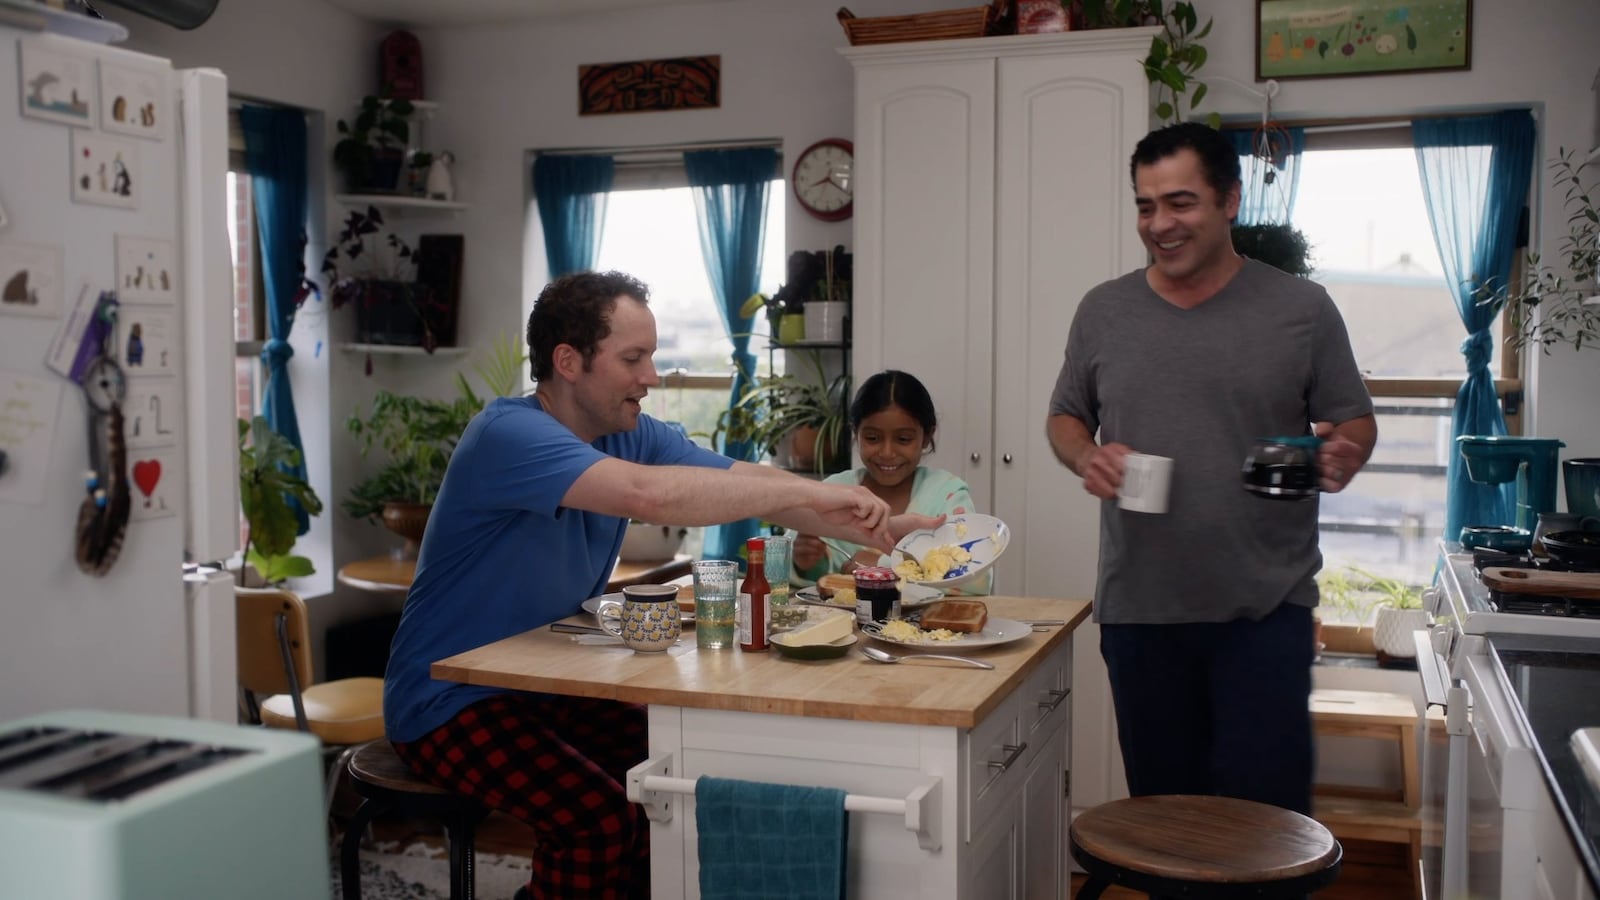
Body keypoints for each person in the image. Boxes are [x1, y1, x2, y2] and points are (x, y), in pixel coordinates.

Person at [383, 271, 941, 900]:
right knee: (595, 820)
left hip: (540, 685)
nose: (651, 375)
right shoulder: (508, 436)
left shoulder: (629, 431)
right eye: (633, 358)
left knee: (677, 769)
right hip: (447, 700)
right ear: (568, 361)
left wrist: (883, 527)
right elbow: (648, 493)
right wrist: (818, 489)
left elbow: (740, 482)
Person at [1045, 122, 1377, 816]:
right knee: (1170, 830)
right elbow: (1065, 417)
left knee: (1269, 828)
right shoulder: (1103, 311)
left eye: (1180, 203)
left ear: (1230, 201)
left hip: (1264, 612)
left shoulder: (1301, 310)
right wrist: (1088, 454)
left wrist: (1346, 450)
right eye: (1145, 205)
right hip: (1141, 614)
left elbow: (1353, 419)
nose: (1159, 224)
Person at [792, 369, 991, 595]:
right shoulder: (834, 491)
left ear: (926, 436)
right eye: (873, 438)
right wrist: (805, 562)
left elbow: (976, 578)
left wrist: (882, 565)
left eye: (903, 439)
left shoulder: (947, 494)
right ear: (855, 432)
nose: (887, 452)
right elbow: (791, 570)